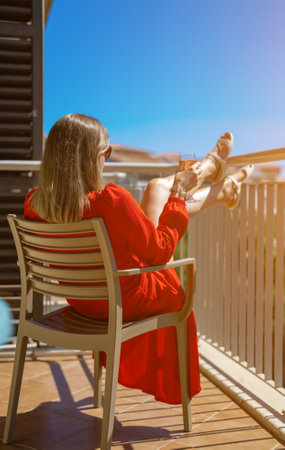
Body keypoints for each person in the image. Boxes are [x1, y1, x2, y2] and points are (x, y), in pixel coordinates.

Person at [24, 113, 254, 404]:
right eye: (105, 152)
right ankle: (212, 177)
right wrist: (181, 191)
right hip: (127, 300)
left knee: (157, 189)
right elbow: (160, 252)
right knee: (161, 191)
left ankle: (216, 180)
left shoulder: (34, 203)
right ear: (92, 156)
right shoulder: (110, 200)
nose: (107, 158)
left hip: (84, 301)